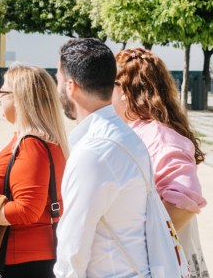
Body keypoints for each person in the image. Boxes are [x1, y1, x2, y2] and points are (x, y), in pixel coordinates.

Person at [53, 38, 151, 278]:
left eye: (58, 78)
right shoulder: (128, 137)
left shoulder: (94, 152)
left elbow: (73, 246)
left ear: (71, 86)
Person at [114, 47, 208, 276]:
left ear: (127, 90)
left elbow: (183, 202)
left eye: (110, 86)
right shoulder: (143, 131)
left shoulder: (158, 135)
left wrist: (142, 248)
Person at [0, 63, 68, 278]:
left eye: (3, 92)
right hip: (25, 258)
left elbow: (26, 211)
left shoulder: (32, 144)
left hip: (19, 262)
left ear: (20, 98)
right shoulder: (39, 140)